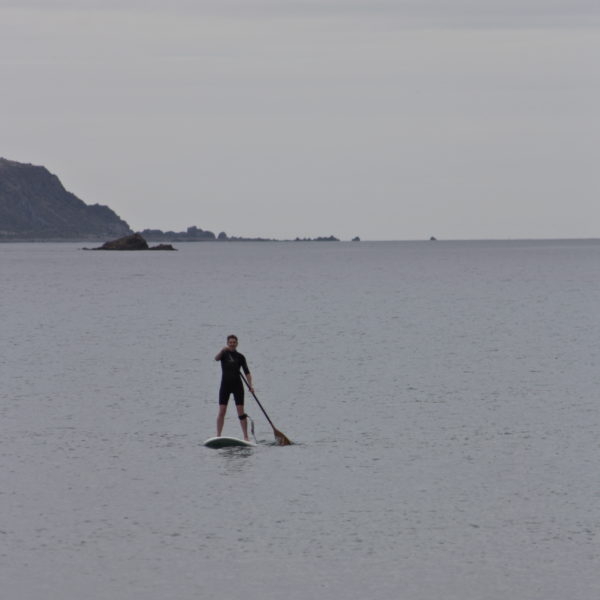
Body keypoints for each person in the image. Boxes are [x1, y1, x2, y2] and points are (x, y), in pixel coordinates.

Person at [214, 334, 254, 440]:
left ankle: (246, 437)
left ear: (237, 344)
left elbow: (247, 373)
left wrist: (251, 386)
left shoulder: (240, 357)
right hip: (225, 386)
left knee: (240, 411)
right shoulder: (223, 354)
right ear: (227, 343)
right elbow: (216, 358)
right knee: (222, 411)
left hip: (237, 386)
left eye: (234, 342)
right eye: (230, 342)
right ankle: (218, 435)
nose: (232, 344)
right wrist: (222, 350)